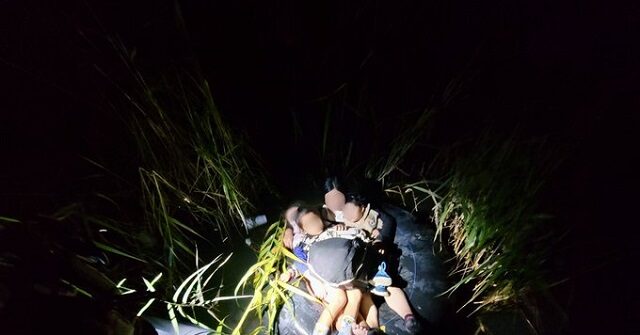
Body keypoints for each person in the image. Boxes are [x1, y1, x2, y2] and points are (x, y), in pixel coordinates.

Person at [321, 178, 423, 334]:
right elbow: (307, 215)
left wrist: (381, 239)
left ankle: (409, 318)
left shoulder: (367, 210)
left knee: (385, 284)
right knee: (356, 292)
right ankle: (364, 329)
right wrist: (337, 228)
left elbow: (388, 221)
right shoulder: (330, 212)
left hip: (370, 255)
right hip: (349, 257)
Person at [279, 206, 374, 335]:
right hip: (324, 278)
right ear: (300, 228)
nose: (314, 224)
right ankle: (321, 330)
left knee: (356, 295)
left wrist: (340, 228)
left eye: (315, 220)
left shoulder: (329, 228)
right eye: (309, 223)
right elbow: (299, 263)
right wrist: (298, 275)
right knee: (340, 298)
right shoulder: (302, 243)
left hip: (340, 274)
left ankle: (356, 329)